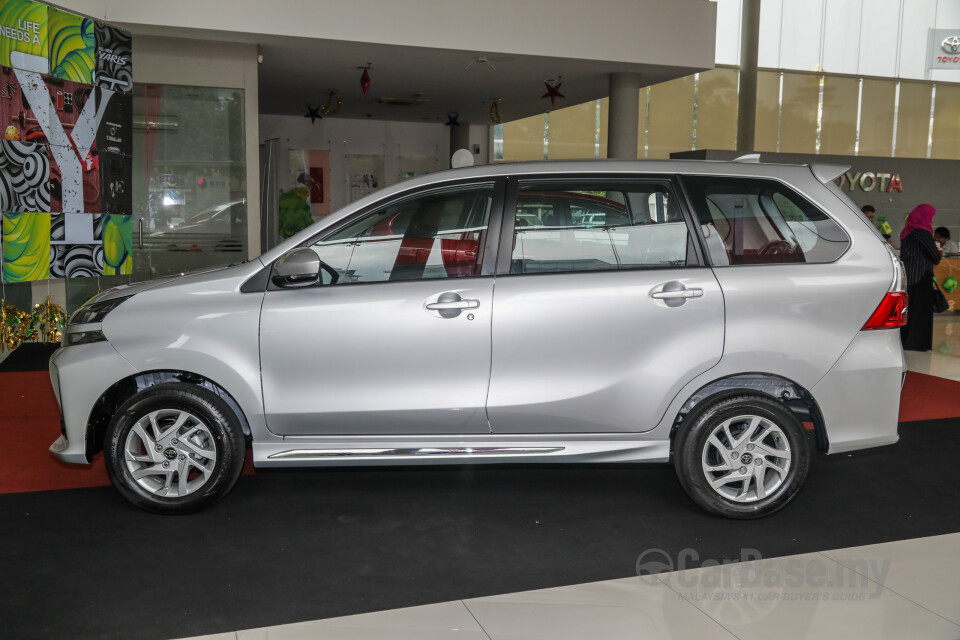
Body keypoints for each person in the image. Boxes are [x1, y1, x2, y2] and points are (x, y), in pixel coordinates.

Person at [900, 204, 941, 351]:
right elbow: (934, 256)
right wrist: (938, 254)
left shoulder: (907, 231)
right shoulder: (922, 231)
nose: (932, 218)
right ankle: (917, 342)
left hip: (910, 275)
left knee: (910, 309)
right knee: (920, 310)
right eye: (931, 215)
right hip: (921, 275)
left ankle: (906, 340)